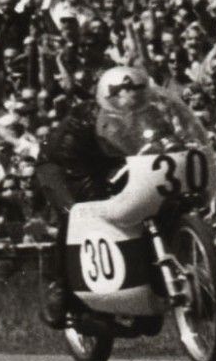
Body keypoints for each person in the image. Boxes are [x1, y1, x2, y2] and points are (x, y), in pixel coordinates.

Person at [32, 70, 139, 328]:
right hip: (59, 168)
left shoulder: (145, 115)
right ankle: (60, 287)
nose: (127, 96)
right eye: (119, 92)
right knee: (76, 214)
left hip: (100, 168)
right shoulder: (85, 116)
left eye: (132, 90)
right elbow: (73, 160)